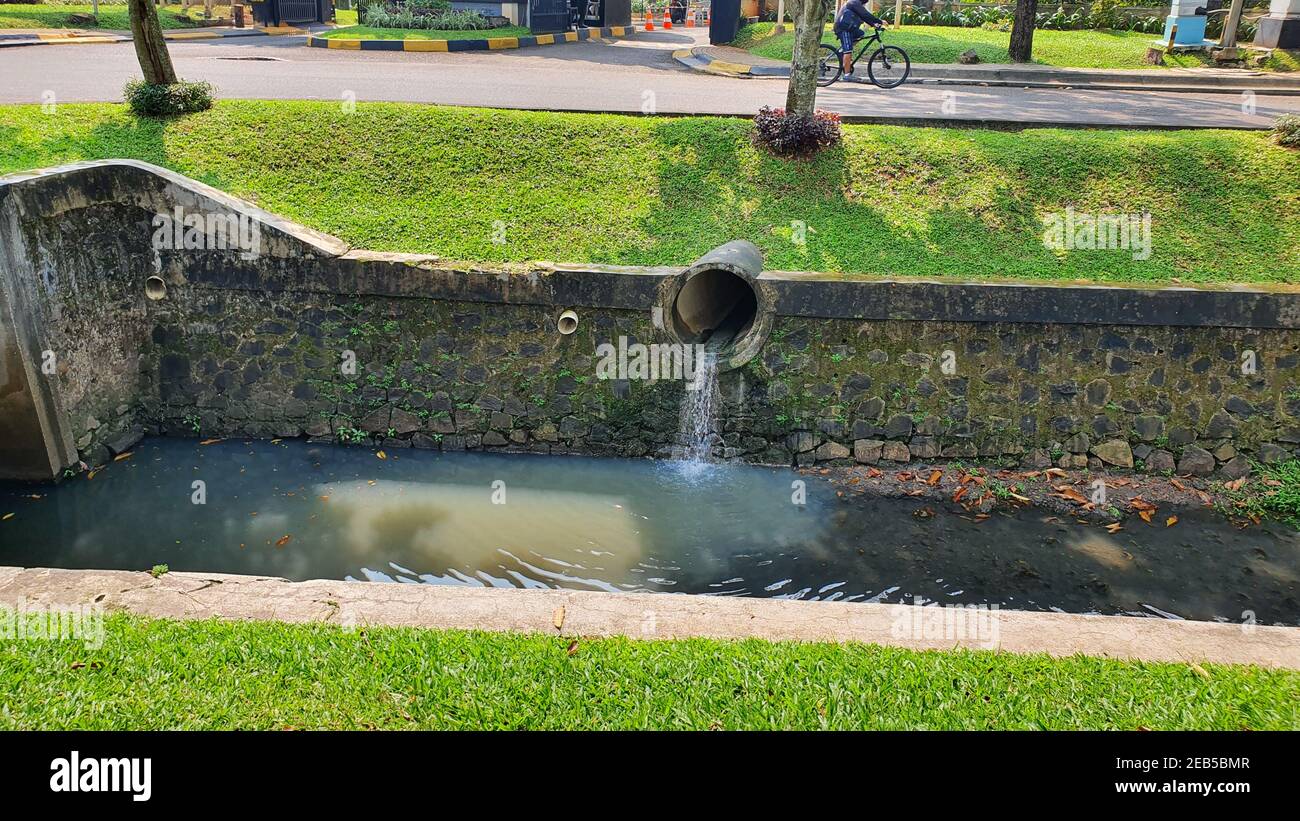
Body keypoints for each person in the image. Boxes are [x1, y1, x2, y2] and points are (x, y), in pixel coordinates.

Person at [832, 0, 884, 76]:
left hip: (850, 28)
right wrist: (880, 21)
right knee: (848, 50)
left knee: (861, 34)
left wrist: (874, 24)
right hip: (843, 29)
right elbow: (865, 14)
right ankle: (847, 75)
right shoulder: (853, 2)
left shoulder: (858, 4)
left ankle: (842, 51)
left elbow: (864, 17)